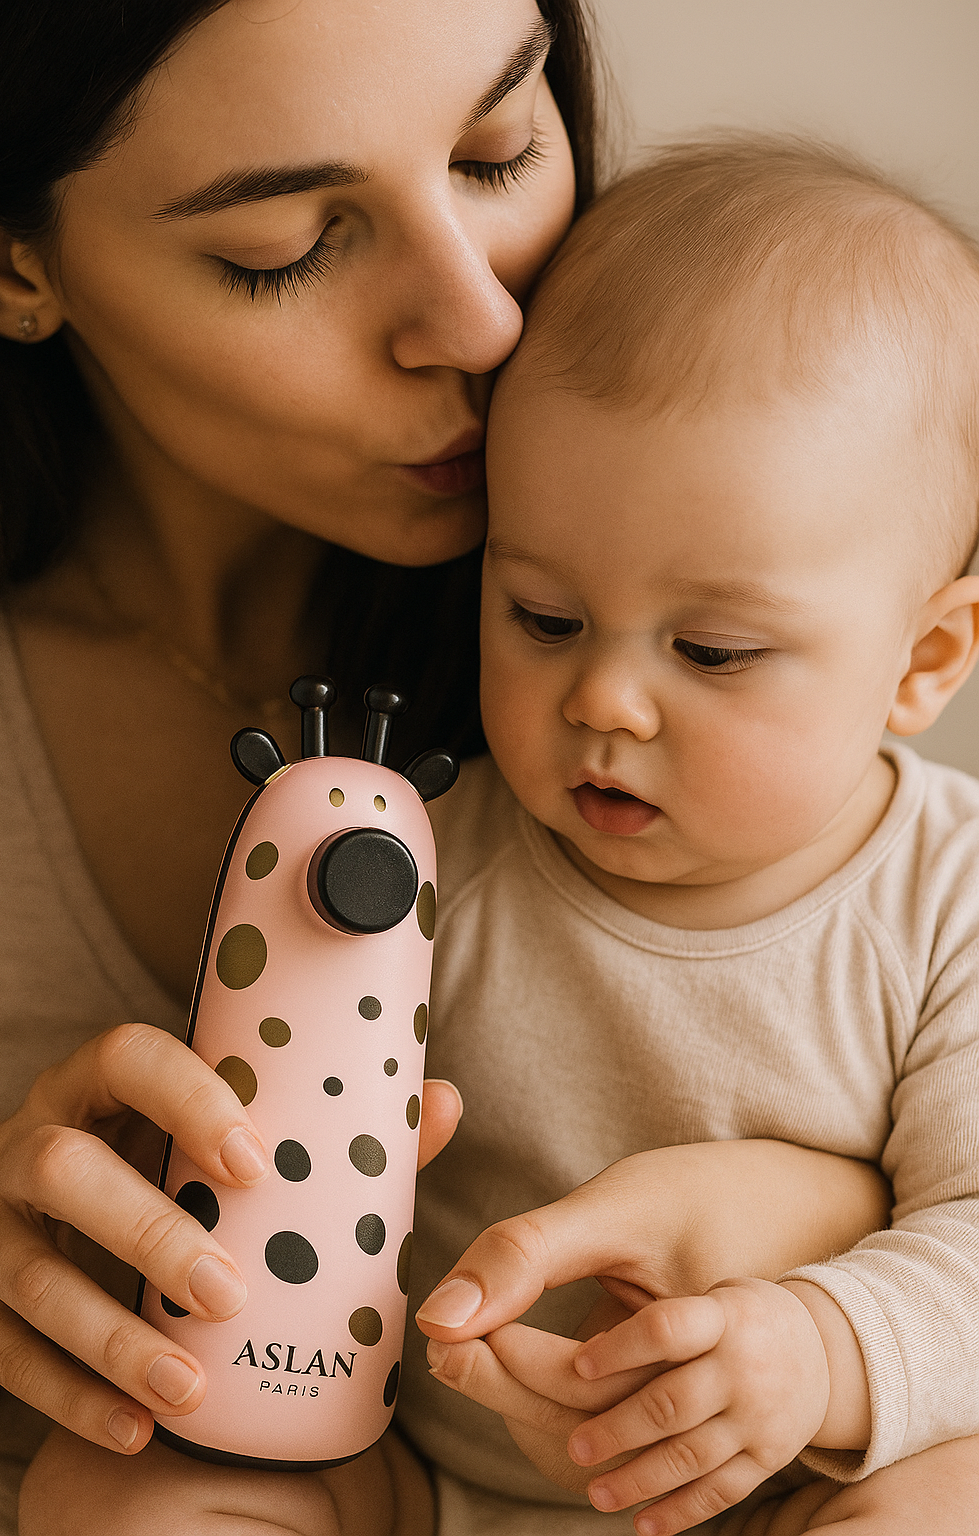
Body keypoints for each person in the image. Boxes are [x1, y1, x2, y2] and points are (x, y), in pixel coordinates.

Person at [0, 3, 894, 1532]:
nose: (480, 322)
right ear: (8, 264)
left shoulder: (711, 613)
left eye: (498, 150)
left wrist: (831, 1215)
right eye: (281, 248)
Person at [405, 137, 979, 1534]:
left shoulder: (946, 898)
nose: (602, 698)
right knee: (133, 1484)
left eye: (713, 651)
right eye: (544, 617)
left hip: (786, 1489)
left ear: (923, 660)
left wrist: (820, 1352)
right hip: (426, 1466)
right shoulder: (417, 862)